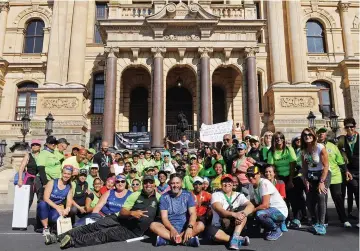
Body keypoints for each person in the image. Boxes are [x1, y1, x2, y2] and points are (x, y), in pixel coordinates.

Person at [46, 175, 160, 249]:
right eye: (146, 182)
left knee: (103, 235)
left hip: (131, 230)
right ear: (143, 184)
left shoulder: (159, 198)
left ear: (155, 184)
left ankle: (72, 242)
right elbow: (123, 211)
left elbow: (164, 214)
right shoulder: (135, 195)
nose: (148, 185)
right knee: (93, 226)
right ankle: (58, 237)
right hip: (119, 218)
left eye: (150, 182)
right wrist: (132, 213)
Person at [150, 173, 204, 247]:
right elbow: (164, 218)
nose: (175, 185)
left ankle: (168, 241)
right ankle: (185, 240)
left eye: (177, 183)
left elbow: (193, 214)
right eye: (173, 183)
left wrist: (190, 227)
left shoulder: (188, 195)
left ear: (181, 183)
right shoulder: (164, 197)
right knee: (153, 225)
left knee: (200, 225)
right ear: (169, 184)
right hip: (168, 228)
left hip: (185, 228)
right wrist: (172, 229)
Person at [317, 127, 352, 227]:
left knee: (338, 197)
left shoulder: (332, 146)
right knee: (322, 198)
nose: (321, 134)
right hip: (322, 176)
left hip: (335, 175)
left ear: (325, 134)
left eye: (323, 133)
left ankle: (344, 219)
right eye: (319, 133)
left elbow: (340, 161)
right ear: (316, 135)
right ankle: (324, 220)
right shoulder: (315, 146)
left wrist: (346, 171)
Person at [208, 174, 253, 250]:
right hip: (220, 226)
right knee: (214, 235)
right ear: (221, 184)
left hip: (235, 225)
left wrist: (243, 213)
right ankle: (237, 239)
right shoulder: (216, 195)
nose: (227, 184)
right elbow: (220, 210)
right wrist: (234, 214)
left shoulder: (239, 195)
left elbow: (251, 206)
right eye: (224, 182)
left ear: (233, 183)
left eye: (229, 181)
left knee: (243, 214)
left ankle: (235, 237)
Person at [301, 128, 330, 235]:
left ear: (313, 136)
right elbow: (304, 167)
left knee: (321, 195)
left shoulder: (320, 147)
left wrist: (322, 182)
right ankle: (315, 222)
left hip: (323, 173)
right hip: (311, 175)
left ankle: (322, 224)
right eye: (305, 135)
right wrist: (305, 179)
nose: (307, 136)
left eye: (309, 134)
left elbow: (326, 165)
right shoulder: (303, 150)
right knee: (309, 200)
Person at [247, 166, 288, 241]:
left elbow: (265, 205)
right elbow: (252, 203)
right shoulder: (250, 185)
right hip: (269, 210)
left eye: (253, 175)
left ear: (259, 174)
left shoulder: (264, 183)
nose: (250, 178)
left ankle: (276, 230)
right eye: (248, 175)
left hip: (280, 212)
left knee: (260, 214)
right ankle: (268, 227)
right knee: (251, 213)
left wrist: (252, 211)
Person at [267, 131, 297, 231]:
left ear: (283, 139)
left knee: (293, 198)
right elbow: (272, 167)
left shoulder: (289, 149)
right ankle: (284, 220)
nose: (278, 140)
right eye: (276, 139)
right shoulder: (271, 152)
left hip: (290, 176)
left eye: (280, 138)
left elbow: (293, 165)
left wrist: (290, 180)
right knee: (282, 200)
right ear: (274, 141)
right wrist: (278, 181)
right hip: (279, 178)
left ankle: (295, 218)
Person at [37, 166, 73, 236]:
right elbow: (46, 198)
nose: (66, 175)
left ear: (71, 175)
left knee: (55, 217)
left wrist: (67, 209)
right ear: (62, 173)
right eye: (65, 173)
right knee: (42, 204)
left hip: (56, 209)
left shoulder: (69, 187)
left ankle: (52, 225)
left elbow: (69, 201)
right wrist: (57, 207)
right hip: (47, 206)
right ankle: (45, 228)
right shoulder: (52, 182)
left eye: (69, 174)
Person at [337, 117, 359, 222]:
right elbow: (337, 153)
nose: (350, 129)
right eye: (347, 127)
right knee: (355, 189)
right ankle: (347, 214)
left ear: (355, 127)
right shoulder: (342, 140)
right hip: (349, 171)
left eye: (351, 127)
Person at [17, 139, 41, 208]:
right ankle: (23, 217)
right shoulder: (28, 155)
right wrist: (20, 179)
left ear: (40, 147)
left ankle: (40, 218)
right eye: (33, 145)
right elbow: (21, 167)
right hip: (29, 179)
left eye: (36, 145)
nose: (35, 146)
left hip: (39, 179)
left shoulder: (43, 155)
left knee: (41, 200)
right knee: (28, 199)